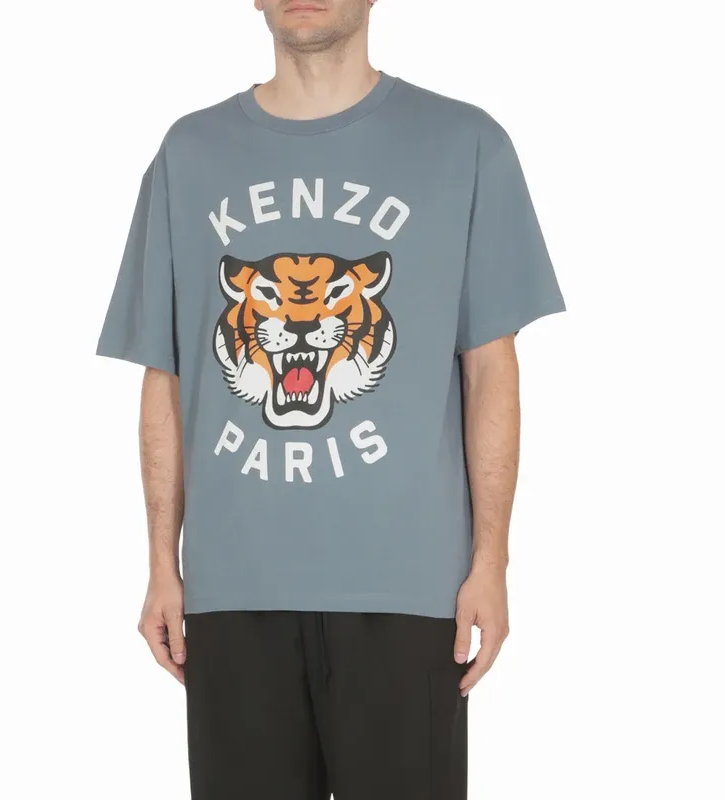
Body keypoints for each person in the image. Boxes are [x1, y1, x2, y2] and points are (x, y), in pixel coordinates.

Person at [96, 0, 565, 797]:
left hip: (410, 587)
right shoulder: (189, 152)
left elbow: (491, 369)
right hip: (232, 587)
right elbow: (163, 377)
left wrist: (491, 563)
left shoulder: (465, 143)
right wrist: (160, 567)